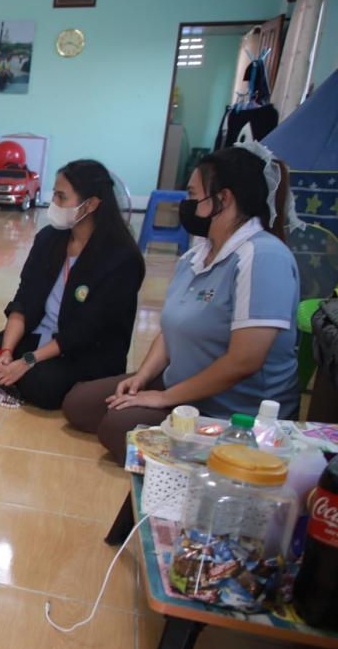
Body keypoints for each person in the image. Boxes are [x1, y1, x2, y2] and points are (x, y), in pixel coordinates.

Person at [64, 143, 301, 463]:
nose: (185, 204)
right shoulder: (196, 256)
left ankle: (222, 453)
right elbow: (170, 328)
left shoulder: (262, 257)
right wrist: (142, 377)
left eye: (192, 195)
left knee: (118, 428)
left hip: (233, 409)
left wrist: (163, 397)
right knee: (79, 404)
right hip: (181, 385)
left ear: (223, 199)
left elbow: (245, 361)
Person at [0, 160, 145, 409]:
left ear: (91, 204)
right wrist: (5, 353)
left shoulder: (121, 259)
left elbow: (84, 331)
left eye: (62, 197)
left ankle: (28, 372)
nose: (54, 203)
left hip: (86, 350)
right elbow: (23, 301)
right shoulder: (49, 239)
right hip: (38, 336)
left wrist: (26, 362)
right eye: (54, 194)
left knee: (41, 386)